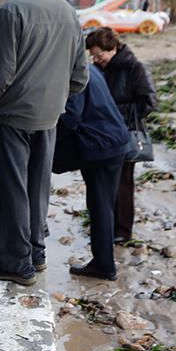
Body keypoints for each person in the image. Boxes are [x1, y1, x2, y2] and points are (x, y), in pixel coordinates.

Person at [0, 0, 90, 286]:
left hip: (12, 118)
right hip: (48, 118)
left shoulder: (11, 13)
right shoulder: (68, 13)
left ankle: (16, 264)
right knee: (38, 188)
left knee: (12, 191)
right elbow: (80, 77)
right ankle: (37, 254)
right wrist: (53, 100)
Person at [55, 64, 132, 280]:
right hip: (115, 141)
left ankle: (104, 265)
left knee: (99, 207)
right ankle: (104, 261)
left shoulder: (69, 72)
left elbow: (70, 116)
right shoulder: (90, 68)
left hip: (100, 146)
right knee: (105, 205)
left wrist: (49, 139)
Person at [85, 27, 157, 242]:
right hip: (101, 135)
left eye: (100, 54)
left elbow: (149, 102)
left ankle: (123, 231)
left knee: (123, 183)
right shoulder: (98, 69)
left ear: (113, 48)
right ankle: (106, 227)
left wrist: (115, 114)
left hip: (124, 134)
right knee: (103, 184)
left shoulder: (135, 68)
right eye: (93, 55)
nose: (96, 59)